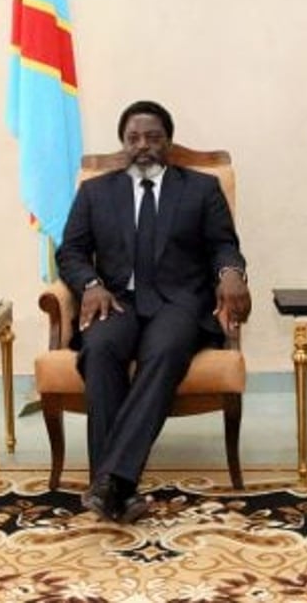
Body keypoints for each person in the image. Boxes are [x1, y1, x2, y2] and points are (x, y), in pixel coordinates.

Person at [57, 100, 251, 523]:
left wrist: (231, 272)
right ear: (123, 144)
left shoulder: (201, 188)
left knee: (164, 351)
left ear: (168, 141)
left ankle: (109, 480)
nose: (142, 145)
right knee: (102, 347)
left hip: (179, 302)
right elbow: (70, 251)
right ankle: (116, 489)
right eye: (133, 138)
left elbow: (223, 244)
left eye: (153, 137)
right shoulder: (96, 192)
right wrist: (90, 285)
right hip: (117, 300)